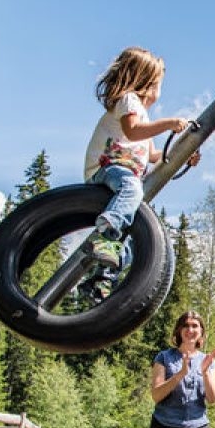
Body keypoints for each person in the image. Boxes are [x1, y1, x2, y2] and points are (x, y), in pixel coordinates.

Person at [82, 46, 200, 272]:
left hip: (122, 175)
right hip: (107, 168)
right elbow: (132, 131)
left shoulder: (142, 114)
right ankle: (104, 234)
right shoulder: (128, 100)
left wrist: (184, 157)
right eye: (157, 84)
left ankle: (102, 278)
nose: (159, 91)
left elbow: (155, 156)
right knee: (132, 190)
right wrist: (168, 124)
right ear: (144, 82)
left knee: (130, 234)